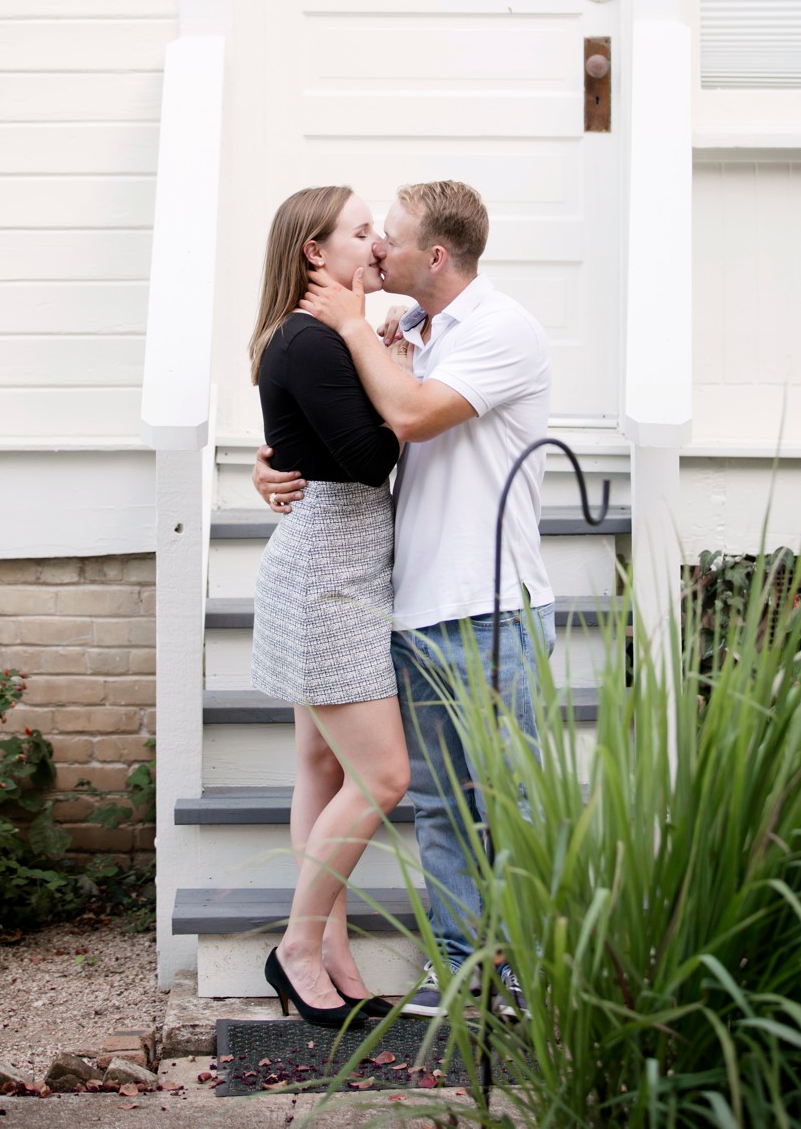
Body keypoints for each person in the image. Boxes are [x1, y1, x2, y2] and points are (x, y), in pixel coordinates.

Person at [255, 179, 555, 1019]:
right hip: (407, 597)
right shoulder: (408, 331)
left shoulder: (499, 329)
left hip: (492, 601)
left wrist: (357, 331)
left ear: (435, 254)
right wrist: (274, 459)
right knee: (435, 803)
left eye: (387, 236)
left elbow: (410, 420)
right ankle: (459, 973)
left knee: (511, 802)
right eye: (366, 234)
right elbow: (328, 423)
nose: (377, 249)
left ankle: (523, 970)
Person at [246, 186, 411, 1026]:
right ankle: (299, 947)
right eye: (359, 230)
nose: (377, 240)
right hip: (328, 577)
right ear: (316, 253)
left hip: (334, 562)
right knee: (382, 776)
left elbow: (308, 446)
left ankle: (334, 950)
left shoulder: (314, 338)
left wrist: (372, 343)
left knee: (321, 768)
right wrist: (391, 365)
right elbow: (374, 451)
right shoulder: (315, 339)